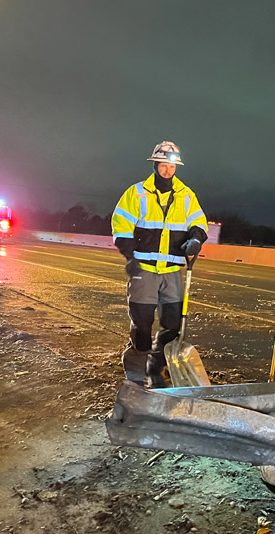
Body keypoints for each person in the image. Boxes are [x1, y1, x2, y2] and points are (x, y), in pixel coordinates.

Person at [112, 141, 208, 388]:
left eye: (172, 166)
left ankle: (156, 369)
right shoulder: (136, 193)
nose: (168, 170)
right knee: (142, 322)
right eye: (164, 165)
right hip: (144, 269)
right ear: (155, 164)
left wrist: (196, 239)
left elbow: (199, 223)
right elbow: (121, 226)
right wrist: (131, 257)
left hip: (173, 271)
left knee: (173, 325)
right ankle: (135, 369)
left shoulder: (186, 195)